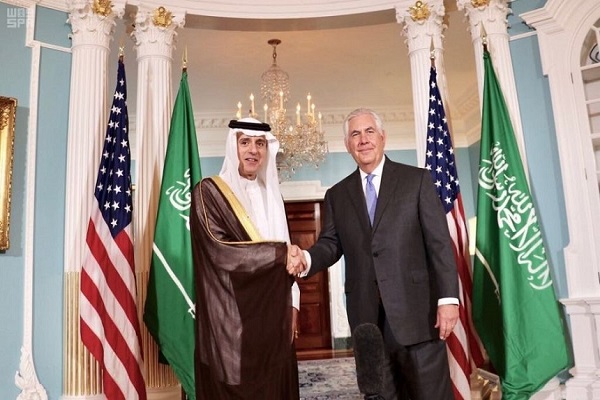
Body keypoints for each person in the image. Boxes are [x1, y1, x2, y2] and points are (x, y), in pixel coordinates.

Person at [288, 108, 459, 400]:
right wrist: (305, 258)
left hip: (418, 315)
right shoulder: (337, 195)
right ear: (348, 145)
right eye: (355, 134)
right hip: (367, 321)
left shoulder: (416, 180)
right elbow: (330, 244)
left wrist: (448, 300)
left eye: (369, 132)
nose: (363, 139)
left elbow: (440, 244)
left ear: (382, 137)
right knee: (378, 395)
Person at [190, 117, 301, 399]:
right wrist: (279, 254)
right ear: (233, 147)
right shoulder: (209, 193)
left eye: (260, 143)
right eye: (245, 142)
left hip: (274, 310)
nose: (253, 150)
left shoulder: (272, 195)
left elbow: (287, 250)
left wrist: (293, 305)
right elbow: (219, 250)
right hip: (231, 313)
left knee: (275, 386)